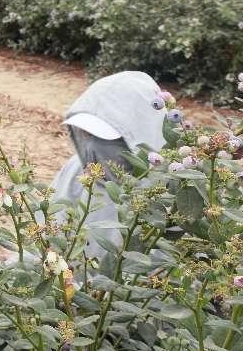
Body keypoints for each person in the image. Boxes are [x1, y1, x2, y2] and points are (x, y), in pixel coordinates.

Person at [48, 70, 167, 262]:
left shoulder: (169, 192)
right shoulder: (77, 171)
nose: (92, 146)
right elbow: (44, 237)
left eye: (103, 138)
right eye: (86, 134)